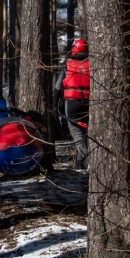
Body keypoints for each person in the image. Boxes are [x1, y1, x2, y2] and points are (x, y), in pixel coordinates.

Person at [53, 38, 90, 169]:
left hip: (72, 104)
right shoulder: (93, 65)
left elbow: (58, 88)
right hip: (90, 103)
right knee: (87, 133)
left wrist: (55, 106)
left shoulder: (67, 65)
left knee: (78, 134)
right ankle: (81, 163)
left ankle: (82, 161)